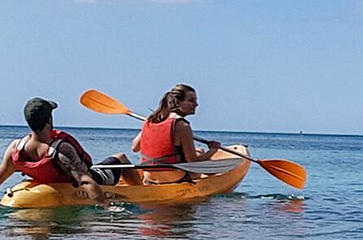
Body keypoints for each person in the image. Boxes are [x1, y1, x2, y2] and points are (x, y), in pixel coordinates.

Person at [0, 97, 132, 204]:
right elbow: (85, 181)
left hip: (58, 181)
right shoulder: (61, 150)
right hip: (96, 179)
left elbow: (2, 175)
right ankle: (143, 188)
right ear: (49, 120)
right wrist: (106, 206)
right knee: (121, 158)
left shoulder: (15, 148)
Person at [131, 84, 220, 182]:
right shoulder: (182, 126)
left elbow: (135, 148)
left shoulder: (150, 121)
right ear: (177, 102)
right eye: (191, 100)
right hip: (174, 178)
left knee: (199, 151)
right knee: (200, 153)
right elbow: (192, 162)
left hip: (149, 177)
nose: (196, 104)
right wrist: (212, 150)